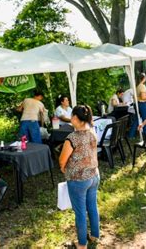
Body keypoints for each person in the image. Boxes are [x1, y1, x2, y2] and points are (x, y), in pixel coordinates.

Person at [59, 105, 100, 249]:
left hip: (78, 179)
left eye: (71, 116)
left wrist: (63, 168)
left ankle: (82, 244)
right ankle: (94, 235)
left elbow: (62, 160)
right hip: (94, 175)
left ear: (76, 118)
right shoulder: (92, 133)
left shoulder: (72, 138)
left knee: (80, 212)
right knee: (93, 207)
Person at [129, 73, 146, 138]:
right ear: (144, 78)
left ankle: (131, 135)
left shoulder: (137, 85)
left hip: (137, 104)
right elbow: (143, 97)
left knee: (136, 119)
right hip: (141, 104)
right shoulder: (142, 86)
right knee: (145, 119)